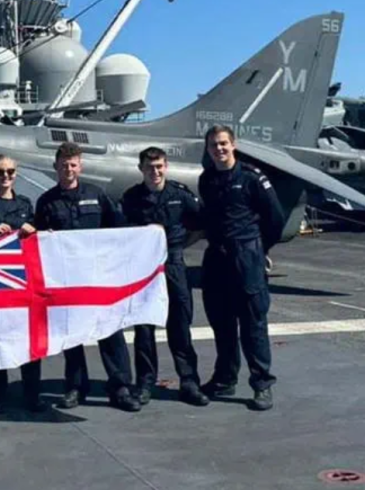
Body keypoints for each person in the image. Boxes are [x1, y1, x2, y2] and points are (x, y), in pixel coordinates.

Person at [32, 142, 141, 413]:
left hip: (99, 277)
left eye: (73, 164)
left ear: (80, 166)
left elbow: (117, 228)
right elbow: (38, 242)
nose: (68, 169)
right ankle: (75, 386)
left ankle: (121, 387)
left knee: (111, 331)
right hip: (66, 280)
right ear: (55, 166)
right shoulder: (46, 202)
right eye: (64, 165)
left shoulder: (96, 194)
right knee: (72, 335)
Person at [197, 125, 286, 412]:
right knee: (221, 325)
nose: (219, 149)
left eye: (223, 144)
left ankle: (262, 385)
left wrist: (260, 251)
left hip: (245, 258)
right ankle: (225, 378)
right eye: (213, 145)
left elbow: (275, 219)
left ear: (233, 145)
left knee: (253, 326)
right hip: (217, 259)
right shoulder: (207, 180)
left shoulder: (252, 178)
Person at [120, 146, 208, 407]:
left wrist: (178, 247)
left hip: (173, 265)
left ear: (165, 166)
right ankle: (146, 382)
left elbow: (199, 225)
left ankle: (189, 381)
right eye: (149, 167)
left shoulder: (179, 195)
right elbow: (122, 232)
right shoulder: (132, 198)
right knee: (144, 329)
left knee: (180, 324)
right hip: (144, 269)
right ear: (141, 169)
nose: (155, 172)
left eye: (159, 166)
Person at [0, 153, 46, 414]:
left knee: (29, 340)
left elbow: (38, 240)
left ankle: (32, 394)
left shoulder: (26, 204)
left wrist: (31, 231)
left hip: (23, 282)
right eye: (0, 172)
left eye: (10, 172)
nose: (6, 177)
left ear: (16, 174)